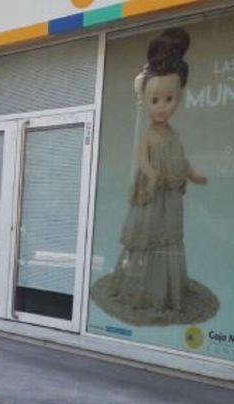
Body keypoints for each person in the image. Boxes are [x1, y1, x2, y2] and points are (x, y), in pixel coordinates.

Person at [90, 27, 216, 326]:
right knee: (145, 241)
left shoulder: (174, 136)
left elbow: (181, 161)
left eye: (169, 99)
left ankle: (162, 290)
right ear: (145, 100)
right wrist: (151, 172)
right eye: (155, 100)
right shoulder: (147, 135)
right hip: (150, 194)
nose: (162, 106)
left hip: (170, 197)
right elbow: (143, 162)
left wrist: (194, 175)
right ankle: (138, 290)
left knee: (167, 242)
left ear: (178, 98)